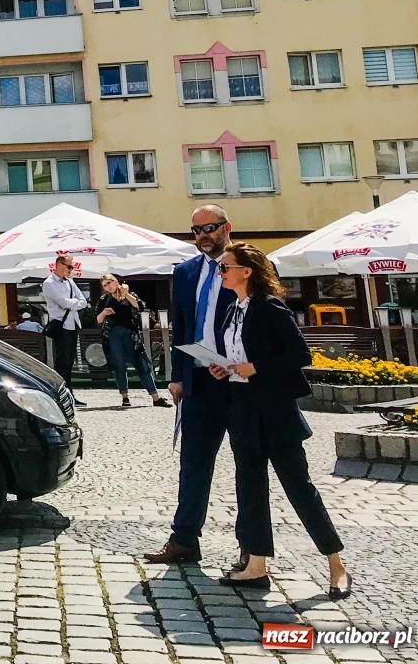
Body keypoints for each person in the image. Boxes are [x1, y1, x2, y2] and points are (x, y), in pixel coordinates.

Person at [212, 244, 350, 599]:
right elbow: (238, 354)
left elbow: (300, 354)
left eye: (225, 267)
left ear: (246, 271)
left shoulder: (270, 307)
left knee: (299, 489)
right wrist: (223, 367)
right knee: (249, 490)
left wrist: (255, 368)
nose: (219, 272)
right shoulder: (232, 309)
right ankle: (256, 566)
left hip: (275, 412)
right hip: (242, 409)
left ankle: (336, 565)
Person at [145, 204, 237, 566]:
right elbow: (181, 327)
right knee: (193, 464)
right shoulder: (184, 272)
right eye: (196, 230)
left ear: (227, 227)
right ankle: (184, 540)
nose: (202, 236)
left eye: (209, 228)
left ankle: (251, 548)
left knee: (248, 465)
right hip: (198, 381)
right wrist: (177, 376)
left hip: (237, 382)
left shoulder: (247, 265)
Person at [96, 273, 169, 408]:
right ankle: (125, 397)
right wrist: (104, 313)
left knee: (142, 364)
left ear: (115, 281)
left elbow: (140, 307)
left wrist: (127, 294)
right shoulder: (104, 299)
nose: (108, 287)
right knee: (119, 365)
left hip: (131, 333)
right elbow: (98, 320)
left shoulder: (129, 294)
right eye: (105, 285)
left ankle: (155, 397)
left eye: (109, 283)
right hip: (113, 334)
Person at [41, 255, 88, 404]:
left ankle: (70, 395)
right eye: (69, 266)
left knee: (69, 362)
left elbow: (83, 301)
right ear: (59, 265)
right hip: (61, 326)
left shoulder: (70, 282)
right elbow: (62, 302)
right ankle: (60, 396)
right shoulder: (49, 283)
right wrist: (74, 303)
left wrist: (71, 303)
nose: (71, 269)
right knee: (62, 361)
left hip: (73, 324)